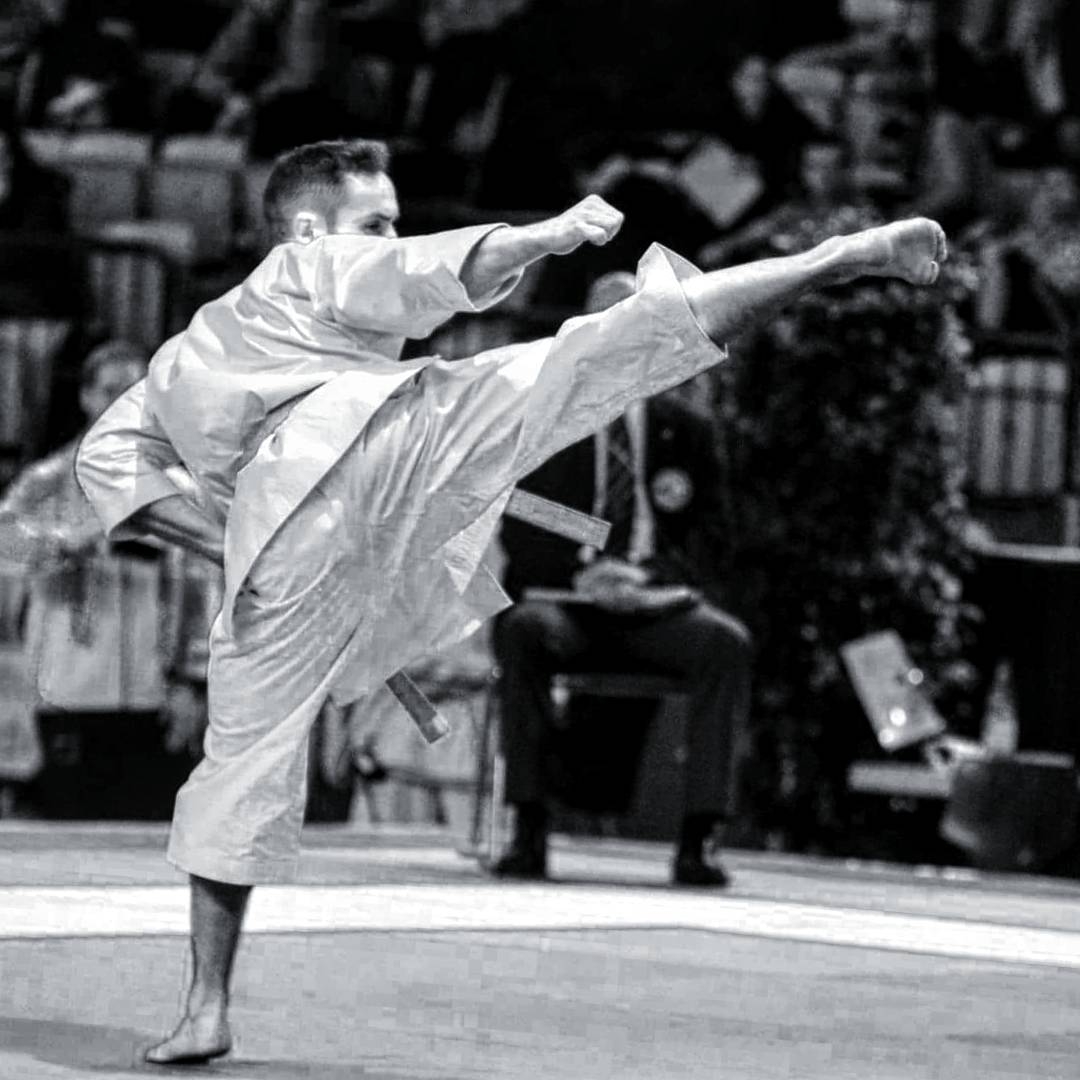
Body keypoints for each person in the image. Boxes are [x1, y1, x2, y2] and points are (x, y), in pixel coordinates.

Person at [74, 136, 947, 1065]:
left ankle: (206, 1007)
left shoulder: (178, 359)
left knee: (240, 766)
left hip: (288, 543)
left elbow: (106, 460)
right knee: (610, 347)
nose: (389, 235)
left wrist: (227, 540)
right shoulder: (306, 264)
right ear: (306, 229)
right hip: (391, 439)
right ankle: (833, 260)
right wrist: (546, 235)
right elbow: (418, 271)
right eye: (375, 221)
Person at [492, 271, 751, 886]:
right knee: (524, 630)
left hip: (655, 604)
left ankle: (700, 838)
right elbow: (520, 515)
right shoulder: (546, 419)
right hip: (569, 602)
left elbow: (712, 535)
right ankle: (528, 827)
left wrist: (645, 574)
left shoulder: (685, 430)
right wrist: (588, 567)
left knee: (726, 643)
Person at [0, 340, 216, 816]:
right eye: (110, 390)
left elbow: (200, 589)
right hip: (67, 693)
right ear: (85, 397)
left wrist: (192, 683)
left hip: (155, 698)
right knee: (73, 838)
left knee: (153, 842)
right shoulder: (47, 480)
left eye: (135, 390)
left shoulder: (178, 488)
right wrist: (64, 544)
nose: (123, 402)